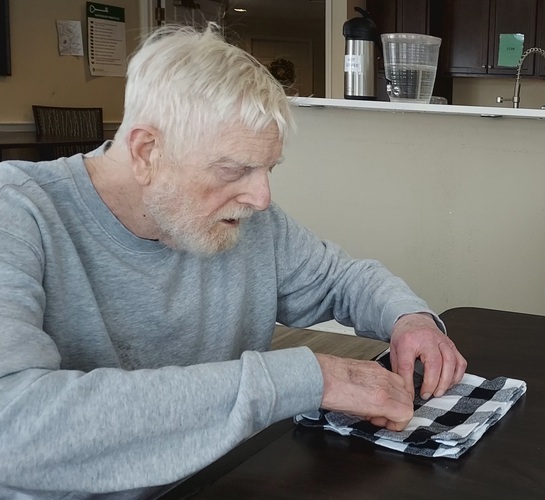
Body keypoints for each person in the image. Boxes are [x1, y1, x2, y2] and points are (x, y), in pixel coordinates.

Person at [0, 25, 466, 498]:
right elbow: (12, 428)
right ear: (147, 152)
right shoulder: (15, 211)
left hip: (223, 478)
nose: (261, 198)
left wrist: (409, 319)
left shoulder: (248, 220)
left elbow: (340, 279)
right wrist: (304, 379)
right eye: (233, 170)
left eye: (268, 168)